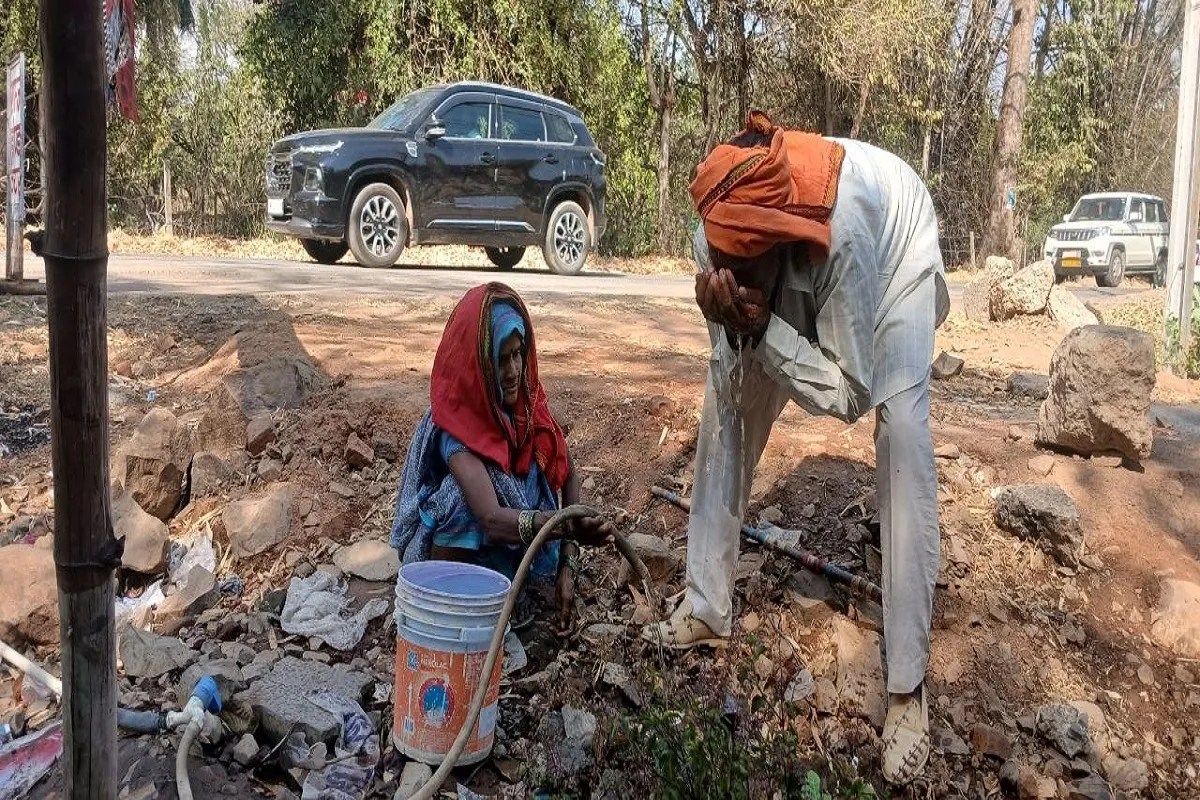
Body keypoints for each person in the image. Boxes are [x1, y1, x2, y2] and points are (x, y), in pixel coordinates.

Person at [641, 111, 949, 784]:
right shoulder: (716, 232)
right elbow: (730, 389)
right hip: (800, 278)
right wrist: (736, 331)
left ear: (780, 247)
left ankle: (907, 688)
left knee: (901, 428)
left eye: (748, 273)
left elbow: (848, 394)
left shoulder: (845, 240)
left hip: (897, 258)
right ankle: (706, 603)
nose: (733, 281)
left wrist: (764, 332)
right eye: (724, 268)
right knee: (723, 410)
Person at [391, 282, 614, 635]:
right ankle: (453, 613)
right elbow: (492, 518)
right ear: (478, 364)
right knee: (456, 499)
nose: (513, 371)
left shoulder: (527, 409)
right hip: (467, 572)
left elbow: (569, 473)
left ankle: (511, 593)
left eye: (517, 354)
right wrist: (563, 525)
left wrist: (568, 567)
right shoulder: (457, 424)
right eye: (500, 359)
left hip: (511, 559)